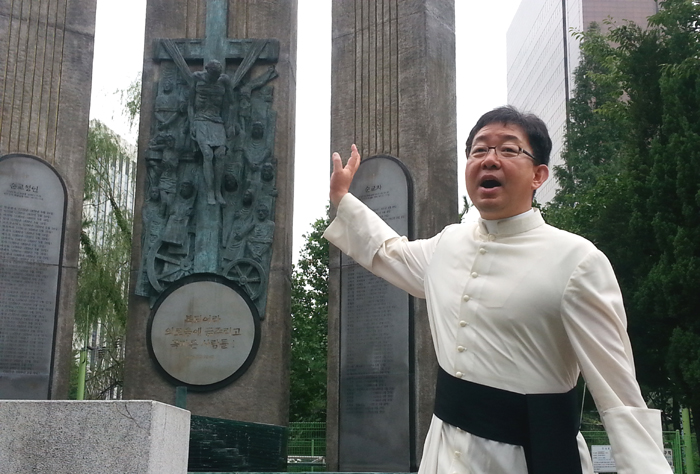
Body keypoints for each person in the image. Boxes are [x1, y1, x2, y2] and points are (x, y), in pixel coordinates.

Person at [323, 106, 672, 474]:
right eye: (478, 150)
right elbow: (388, 251)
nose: (489, 159)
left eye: (508, 150)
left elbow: (619, 392)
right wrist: (344, 199)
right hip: (443, 455)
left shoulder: (577, 260)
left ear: (539, 175)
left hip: (534, 457)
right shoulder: (448, 244)